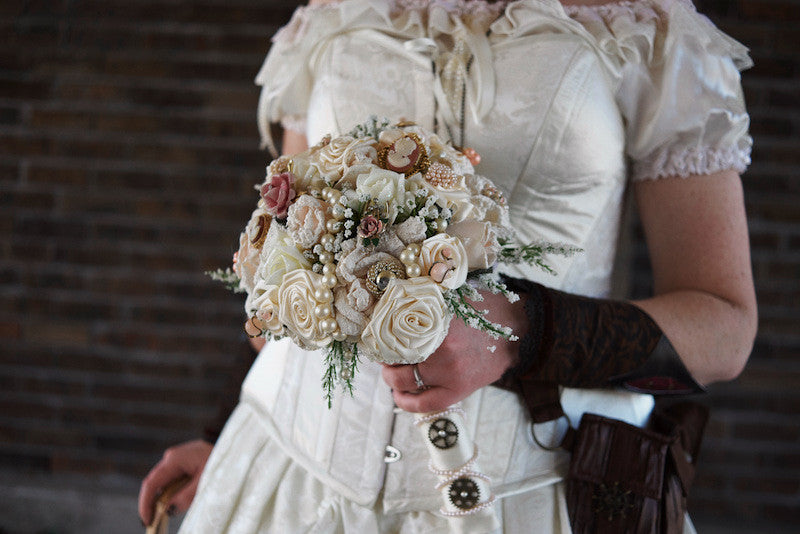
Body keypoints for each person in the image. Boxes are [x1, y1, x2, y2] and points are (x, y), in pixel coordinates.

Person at [138, 0, 757, 531]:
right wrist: (219, 434)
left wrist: (517, 332)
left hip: (535, 487)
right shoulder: (330, 18)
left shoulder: (649, 31)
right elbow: (288, 266)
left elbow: (724, 327)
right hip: (290, 464)